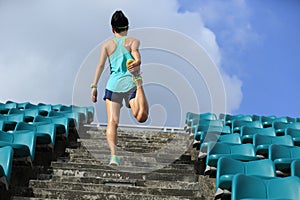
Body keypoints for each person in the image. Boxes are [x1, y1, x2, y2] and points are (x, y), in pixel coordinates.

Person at [90, 10, 149, 166]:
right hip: (130, 82)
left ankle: (114, 156)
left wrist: (94, 86)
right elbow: (136, 55)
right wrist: (136, 63)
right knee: (141, 117)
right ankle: (139, 83)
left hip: (114, 85)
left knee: (112, 122)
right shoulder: (133, 41)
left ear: (112, 29)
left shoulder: (107, 45)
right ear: (127, 27)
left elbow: (100, 65)